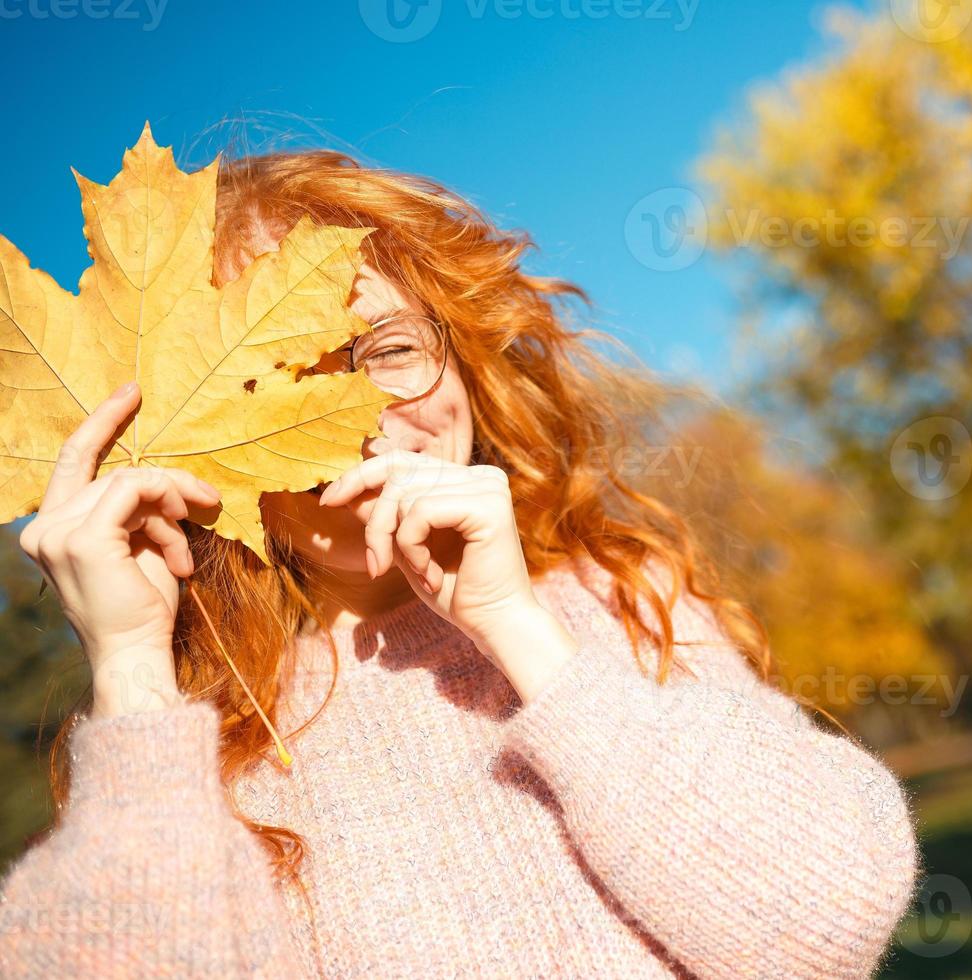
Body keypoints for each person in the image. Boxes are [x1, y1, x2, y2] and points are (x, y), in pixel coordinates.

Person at [0, 148, 920, 977]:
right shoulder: (186, 743)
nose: (359, 418)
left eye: (389, 351)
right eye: (280, 384)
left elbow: (825, 918)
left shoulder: (615, 598)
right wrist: (130, 673)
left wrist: (521, 633)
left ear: (467, 370)